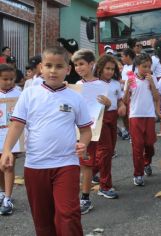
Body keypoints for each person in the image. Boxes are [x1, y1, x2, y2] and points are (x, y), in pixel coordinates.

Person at [0, 46, 92, 235]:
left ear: (68, 69)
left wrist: (84, 143)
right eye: (48, 65)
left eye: (59, 66)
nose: (53, 70)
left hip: (66, 164)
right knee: (42, 219)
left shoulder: (75, 97)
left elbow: (86, 130)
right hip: (35, 166)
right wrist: (7, 149)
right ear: (41, 67)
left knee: (68, 214)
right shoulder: (29, 94)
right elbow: (17, 125)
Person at [72, 49, 111, 214]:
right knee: (75, 164)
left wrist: (108, 103)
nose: (78, 68)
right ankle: (72, 196)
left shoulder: (102, 85)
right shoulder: (77, 86)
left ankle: (85, 198)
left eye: (81, 64)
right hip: (74, 130)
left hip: (92, 131)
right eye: (75, 65)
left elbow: (104, 109)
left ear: (91, 64)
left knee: (87, 165)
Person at [92, 54, 126, 198]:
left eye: (112, 69)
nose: (110, 72)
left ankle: (90, 172)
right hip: (99, 118)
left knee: (109, 151)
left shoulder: (116, 84)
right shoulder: (93, 84)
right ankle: (105, 186)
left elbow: (119, 100)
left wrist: (122, 105)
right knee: (105, 151)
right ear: (99, 68)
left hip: (113, 118)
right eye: (107, 68)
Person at [123, 54, 159, 186]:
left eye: (149, 66)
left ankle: (147, 162)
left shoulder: (153, 78)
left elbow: (156, 97)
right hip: (135, 116)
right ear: (137, 66)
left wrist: (152, 84)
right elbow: (125, 100)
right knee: (137, 147)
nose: (147, 69)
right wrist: (127, 88)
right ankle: (138, 174)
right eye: (144, 66)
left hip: (149, 115)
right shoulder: (131, 78)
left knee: (150, 145)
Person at [0, 64, 21, 216]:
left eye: (11, 79)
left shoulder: (19, 92)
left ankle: (8, 197)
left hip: (11, 137)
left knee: (8, 165)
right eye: (5, 79)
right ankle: (2, 192)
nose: (9, 82)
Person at [120, 48, 136, 140]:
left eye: (123, 56)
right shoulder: (125, 66)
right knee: (124, 115)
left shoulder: (133, 67)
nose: (121, 58)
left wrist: (120, 81)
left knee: (129, 115)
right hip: (123, 93)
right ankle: (129, 131)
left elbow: (132, 83)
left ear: (128, 56)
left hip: (130, 95)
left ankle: (132, 133)